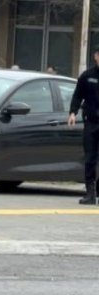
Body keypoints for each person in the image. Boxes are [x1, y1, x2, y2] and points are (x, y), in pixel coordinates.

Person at [67, 46, 99, 205]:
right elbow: (77, 95)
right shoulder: (87, 76)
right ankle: (90, 194)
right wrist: (72, 112)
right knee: (90, 158)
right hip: (91, 122)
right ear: (95, 56)